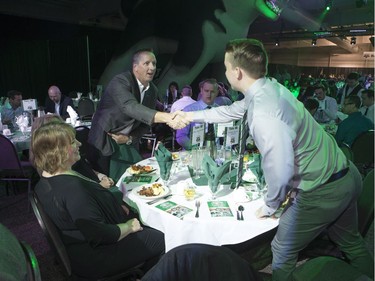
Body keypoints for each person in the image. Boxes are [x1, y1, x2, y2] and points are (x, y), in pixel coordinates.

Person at [176, 38, 374, 281]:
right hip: (346, 174)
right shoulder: (268, 87)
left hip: (322, 190)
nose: (225, 72)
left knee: (282, 248)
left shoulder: (263, 114)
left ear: (237, 72)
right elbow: (232, 111)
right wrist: (192, 117)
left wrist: (270, 206)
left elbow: (280, 172)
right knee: (351, 241)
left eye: (226, 67)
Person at [31, 122, 165, 279]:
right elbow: (100, 235)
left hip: (80, 249)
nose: (79, 144)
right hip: (96, 256)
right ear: (58, 151)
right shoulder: (72, 189)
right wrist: (129, 226)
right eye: (73, 141)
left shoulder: (44, 181)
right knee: (162, 238)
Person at [88, 48, 186, 181]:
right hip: (103, 139)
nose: (152, 67)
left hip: (126, 142)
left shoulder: (152, 90)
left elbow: (146, 123)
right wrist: (167, 117)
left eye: (154, 64)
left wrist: (129, 138)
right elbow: (130, 107)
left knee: (130, 180)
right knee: (104, 181)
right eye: (147, 63)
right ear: (135, 67)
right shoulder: (120, 81)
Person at [175, 78, 219, 150]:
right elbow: (181, 136)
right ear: (201, 91)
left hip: (216, 152)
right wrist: (194, 149)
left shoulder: (220, 110)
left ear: (217, 93)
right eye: (206, 91)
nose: (209, 94)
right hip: (193, 154)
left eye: (212, 92)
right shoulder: (189, 110)